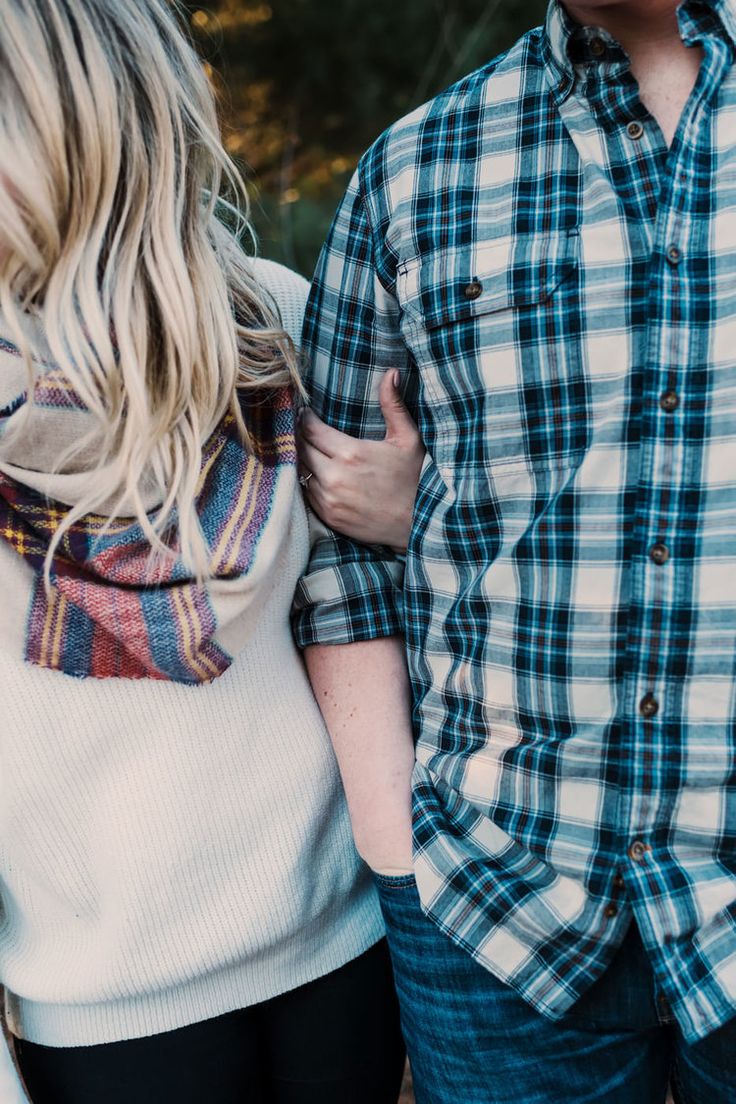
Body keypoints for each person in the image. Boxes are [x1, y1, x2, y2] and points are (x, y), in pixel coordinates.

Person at [293, 0, 736, 1101]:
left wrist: (428, 509)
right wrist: (397, 859)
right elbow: (338, 555)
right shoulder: (415, 166)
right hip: (495, 917)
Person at [0, 2, 407, 1102]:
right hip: (102, 1017)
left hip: (342, 955)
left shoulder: (272, 325)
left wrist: (410, 514)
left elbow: (390, 603)